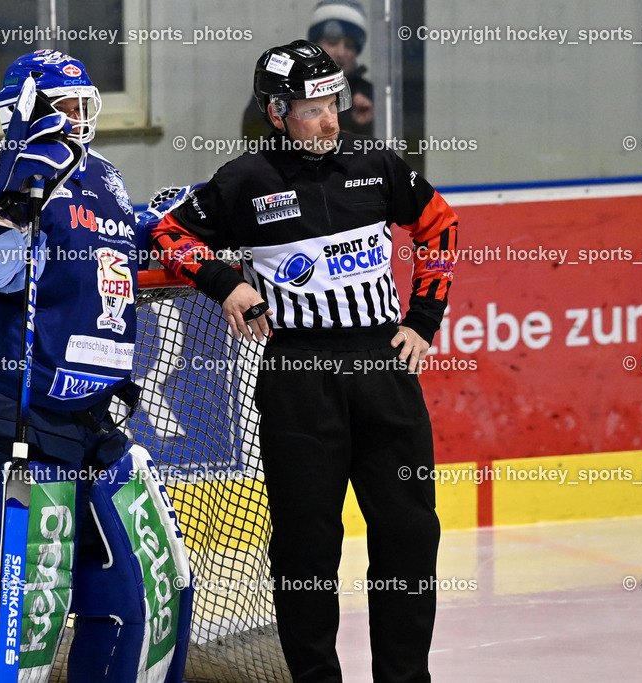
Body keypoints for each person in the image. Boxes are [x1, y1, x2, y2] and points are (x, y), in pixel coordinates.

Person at [149, 40, 458, 682]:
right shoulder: (245, 180)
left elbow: (440, 225)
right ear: (276, 113)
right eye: (312, 109)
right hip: (298, 378)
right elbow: (165, 233)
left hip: (382, 368)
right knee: (305, 549)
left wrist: (425, 319)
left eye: (332, 105)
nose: (328, 121)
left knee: (409, 535)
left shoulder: (376, 165)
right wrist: (224, 283)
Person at [0, 49, 191, 682]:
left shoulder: (105, 175)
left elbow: (111, 251)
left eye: (82, 104)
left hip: (84, 398)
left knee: (94, 563)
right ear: (26, 109)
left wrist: (156, 224)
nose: (76, 116)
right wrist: (15, 198)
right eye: (62, 105)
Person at [242, 0, 375, 139]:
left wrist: (366, 122)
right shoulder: (279, 85)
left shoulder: (369, 95)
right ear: (314, 46)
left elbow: (382, 142)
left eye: (349, 46)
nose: (341, 52)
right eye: (332, 42)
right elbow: (253, 135)